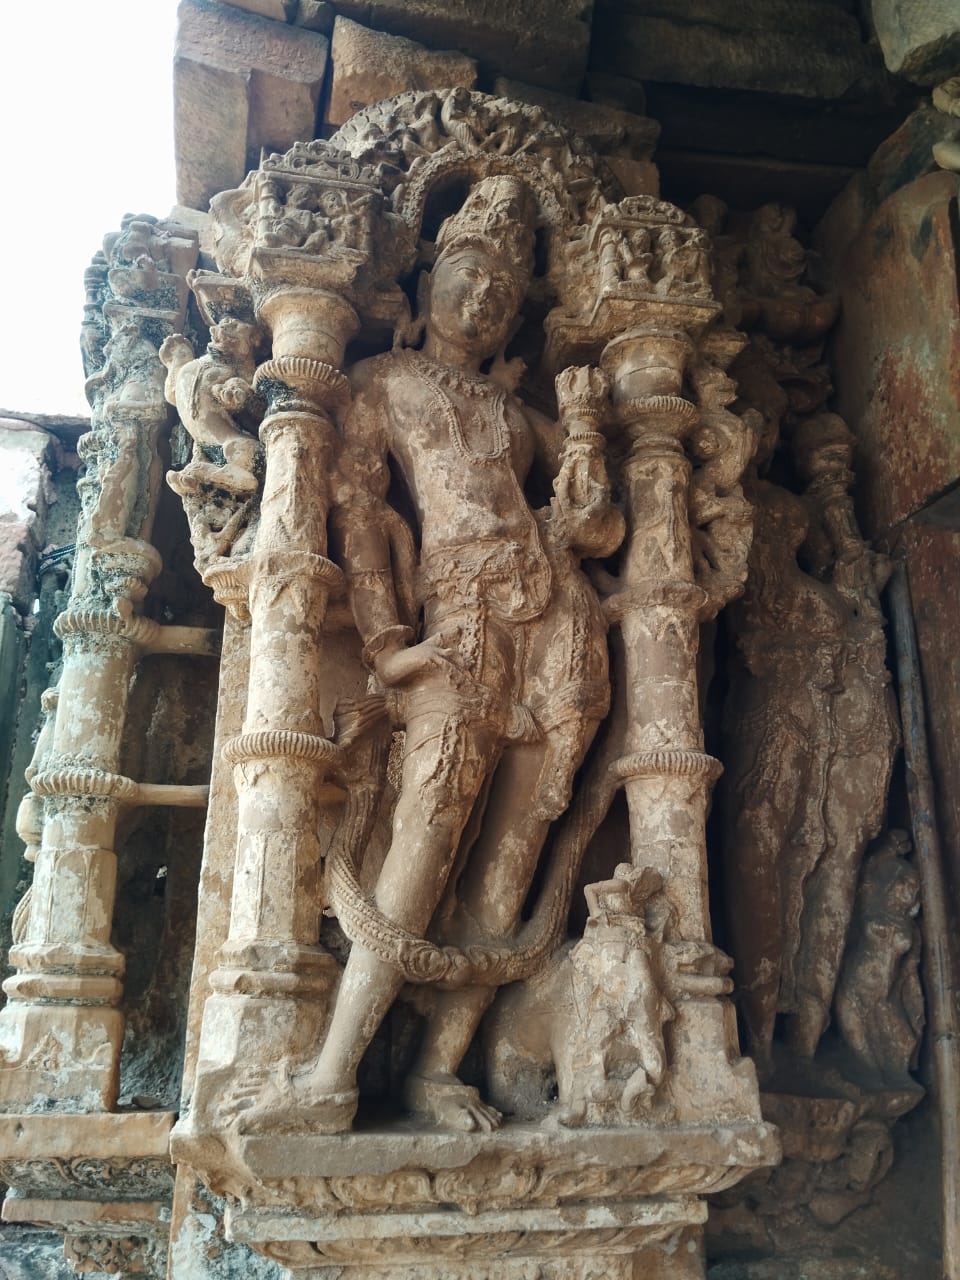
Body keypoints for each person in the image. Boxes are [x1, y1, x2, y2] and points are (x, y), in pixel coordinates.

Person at [241, 174, 623, 1134]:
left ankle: (437, 1069)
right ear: (428, 279)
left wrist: (582, 428)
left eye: (504, 286)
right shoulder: (384, 381)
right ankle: (334, 1072)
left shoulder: (515, 412)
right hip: (459, 622)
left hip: (557, 621)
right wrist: (387, 645)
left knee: (516, 845)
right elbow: (359, 513)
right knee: (431, 830)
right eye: (469, 270)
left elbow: (598, 527)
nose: (485, 295)